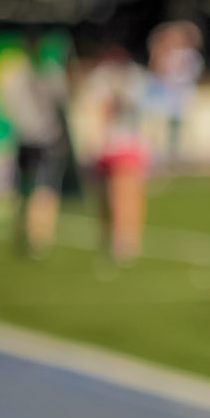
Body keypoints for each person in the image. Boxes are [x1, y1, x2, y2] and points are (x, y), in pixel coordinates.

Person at [0, 31, 71, 258]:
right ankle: (38, 236)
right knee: (43, 187)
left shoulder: (17, 73)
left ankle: (27, 231)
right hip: (42, 136)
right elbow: (63, 100)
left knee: (28, 187)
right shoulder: (46, 71)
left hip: (27, 136)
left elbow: (6, 105)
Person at [86, 43, 149, 263]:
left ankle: (126, 241)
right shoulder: (106, 76)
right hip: (114, 143)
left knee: (125, 194)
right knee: (112, 196)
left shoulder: (132, 76)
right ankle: (117, 239)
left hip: (124, 142)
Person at [144, 19, 203, 169]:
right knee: (160, 128)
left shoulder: (190, 56)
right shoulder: (166, 55)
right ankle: (160, 157)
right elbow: (157, 72)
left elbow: (186, 75)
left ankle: (180, 158)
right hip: (165, 97)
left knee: (181, 130)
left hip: (181, 97)